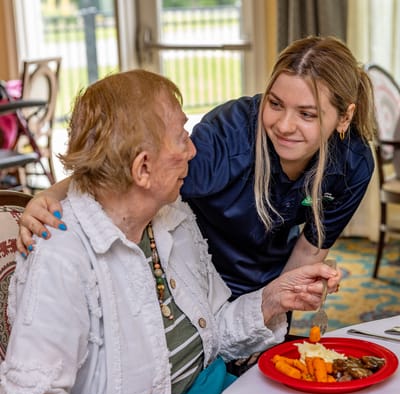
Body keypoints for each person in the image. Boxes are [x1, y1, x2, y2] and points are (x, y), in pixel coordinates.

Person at [0, 69, 340, 394]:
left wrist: (272, 299)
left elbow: (214, 331)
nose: (193, 151)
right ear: (143, 169)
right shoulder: (61, 254)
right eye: (182, 137)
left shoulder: (172, 218)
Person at [17, 35, 366, 299]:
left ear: (344, 116)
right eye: (275, 103)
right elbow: (128, 172)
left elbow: (308, 249)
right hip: (200, 286)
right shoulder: (227, 140)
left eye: (307, 114)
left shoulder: (353, 164)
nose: (284, 125)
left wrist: (276, 305)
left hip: (270, 282)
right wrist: (50, 194)